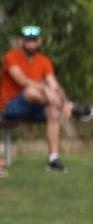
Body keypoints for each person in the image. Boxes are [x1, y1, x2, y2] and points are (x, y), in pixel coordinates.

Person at [1, 24, 82, 176]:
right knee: (31, 91)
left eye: (34, 40)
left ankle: (53, 159)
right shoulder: (11, 57)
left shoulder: (44, 61)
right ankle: (70, 107)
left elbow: (54, 85)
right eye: (28, 40)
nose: (31, 44)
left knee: (52, 111)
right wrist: (46, 89)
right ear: (21, 41)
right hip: (10, 106)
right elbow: (22, 81)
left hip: (36, 106)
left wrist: (63, 100)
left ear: (39, 41)